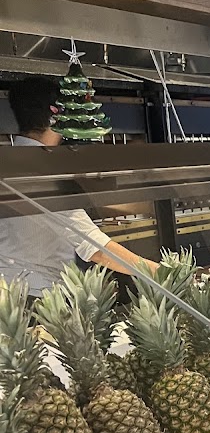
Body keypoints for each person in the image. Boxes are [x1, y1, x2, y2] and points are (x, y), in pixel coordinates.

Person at [2, 76, 157, 294]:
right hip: (37, 295)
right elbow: (94, 247)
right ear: (56, 117)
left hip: (13, 290)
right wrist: (158, 272)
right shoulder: (40, 172)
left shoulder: (10, 161)